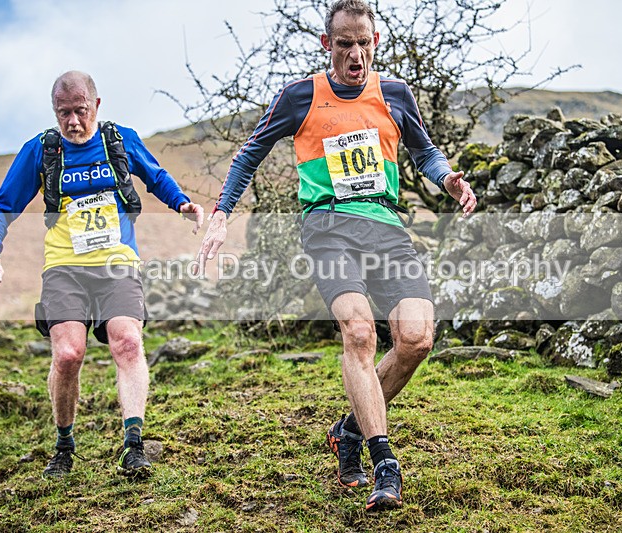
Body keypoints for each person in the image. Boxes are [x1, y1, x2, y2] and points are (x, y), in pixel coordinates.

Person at [197, 0, 476, 510]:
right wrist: (222, 213)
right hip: (327, 228)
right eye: (344, 42)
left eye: (363, 42)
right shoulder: (300, 96)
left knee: (416, 339)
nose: (354, 52)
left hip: (386, 227)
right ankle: (383, 462)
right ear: (328, 45)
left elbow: (425, 150)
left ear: (375, 44)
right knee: (360, 331)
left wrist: (446, 178)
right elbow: (248, 154)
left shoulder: (395, 94)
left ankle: (348, 430)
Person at [0, 70, 204, 479]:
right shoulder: (41, 151)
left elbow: (155, 176)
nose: (73, 122)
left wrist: (181, 203)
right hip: (65, 267)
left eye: (80, 111)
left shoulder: (119, 140)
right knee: (67, 355)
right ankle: (64, 446)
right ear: (54, 112)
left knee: (128, 342)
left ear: (96, 105)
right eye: (64, 114)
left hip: (117, 262)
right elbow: (2, 205)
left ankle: (133, 445)